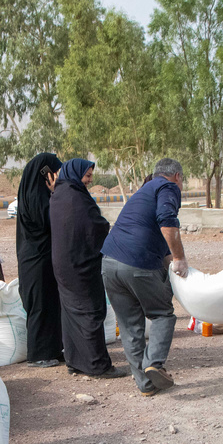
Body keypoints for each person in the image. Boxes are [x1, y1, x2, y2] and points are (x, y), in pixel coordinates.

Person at [102, 158, 188, 396]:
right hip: (136, 264)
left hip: (108, 262)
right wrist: (180, 258)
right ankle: (155, 363)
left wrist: (169, 256)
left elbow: (146, 230)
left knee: (130, 326)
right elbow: (167, 222)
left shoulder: (143, 192)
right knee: (162, 314)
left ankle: (146, 385)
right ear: (177, 176)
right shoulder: (168, 187)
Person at [50, 158, 125, 379]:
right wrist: (104, 226)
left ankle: (75, 361)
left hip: (64, 263)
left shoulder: (59, 194)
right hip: (79, 265)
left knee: (72, 311)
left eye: (91, 176)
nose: (90, 180)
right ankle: (97, 365)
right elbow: (92, 226)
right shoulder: (75, 197)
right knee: (91, 310)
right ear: (76, 174)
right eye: (87, 176)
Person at [16, 153, 65, 367]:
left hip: (43, 259)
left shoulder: (40, 196)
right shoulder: (37, 197)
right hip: (35, 261)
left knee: (51, 304)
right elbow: (51, 219)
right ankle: (37, 354)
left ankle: (53, 349)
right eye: (53, 172)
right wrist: (56, 193)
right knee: (40, 306)